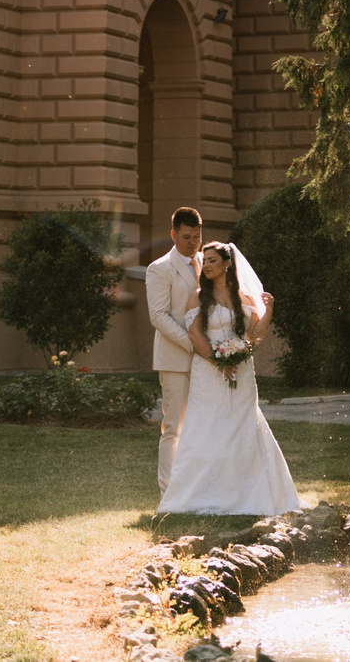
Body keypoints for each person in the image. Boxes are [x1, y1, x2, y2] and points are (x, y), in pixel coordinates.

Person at [158, 241, 302, 516]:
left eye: (212, 260)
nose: (207, 265)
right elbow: (195, 334)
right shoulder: (198, 296)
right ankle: (199, 493)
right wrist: (217, 362)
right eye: (205, 261)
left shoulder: (243, 297)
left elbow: (254, 336)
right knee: (207, 426)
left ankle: (249, 492)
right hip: (208, 371)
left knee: (243, 424)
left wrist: (268, 310)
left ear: (227, 264)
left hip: (242, 372)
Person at [146, 207, 206, 494]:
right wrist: (193, 343)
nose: (193, 243)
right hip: (175, 359)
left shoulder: (209, 263)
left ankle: (198, 487)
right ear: (173, 235)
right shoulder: (159, 268)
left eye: (197, 236)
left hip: (208, 360)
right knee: (174, 428)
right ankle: (168, 492)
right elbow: (158, 316)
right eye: (186, 237)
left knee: (204, 426)